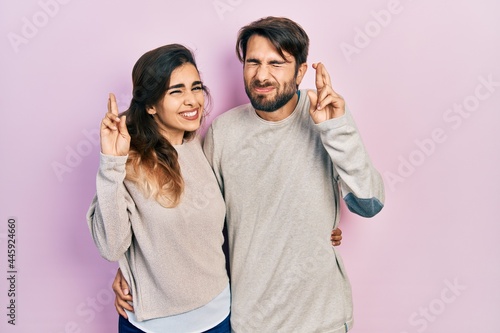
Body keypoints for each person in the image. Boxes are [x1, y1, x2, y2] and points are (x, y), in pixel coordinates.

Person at [114, 16, 385, 332]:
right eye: (253, 62)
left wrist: (335, 128)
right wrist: (134, 270)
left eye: (277, 63)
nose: (262, 74)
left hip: (322, 318)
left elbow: (369, 204)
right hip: (251, 321)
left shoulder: (325, 116)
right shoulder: (222, 132)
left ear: (300, 70)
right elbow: (192, 219)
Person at [86, 44, 231, 333]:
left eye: (196, 87)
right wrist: (111, 164)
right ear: (150, 105)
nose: (192, 101)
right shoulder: (126, 161)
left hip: (218, 318)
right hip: (151, 326)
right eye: (176, 91)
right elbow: (112, 247)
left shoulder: (202, 146)